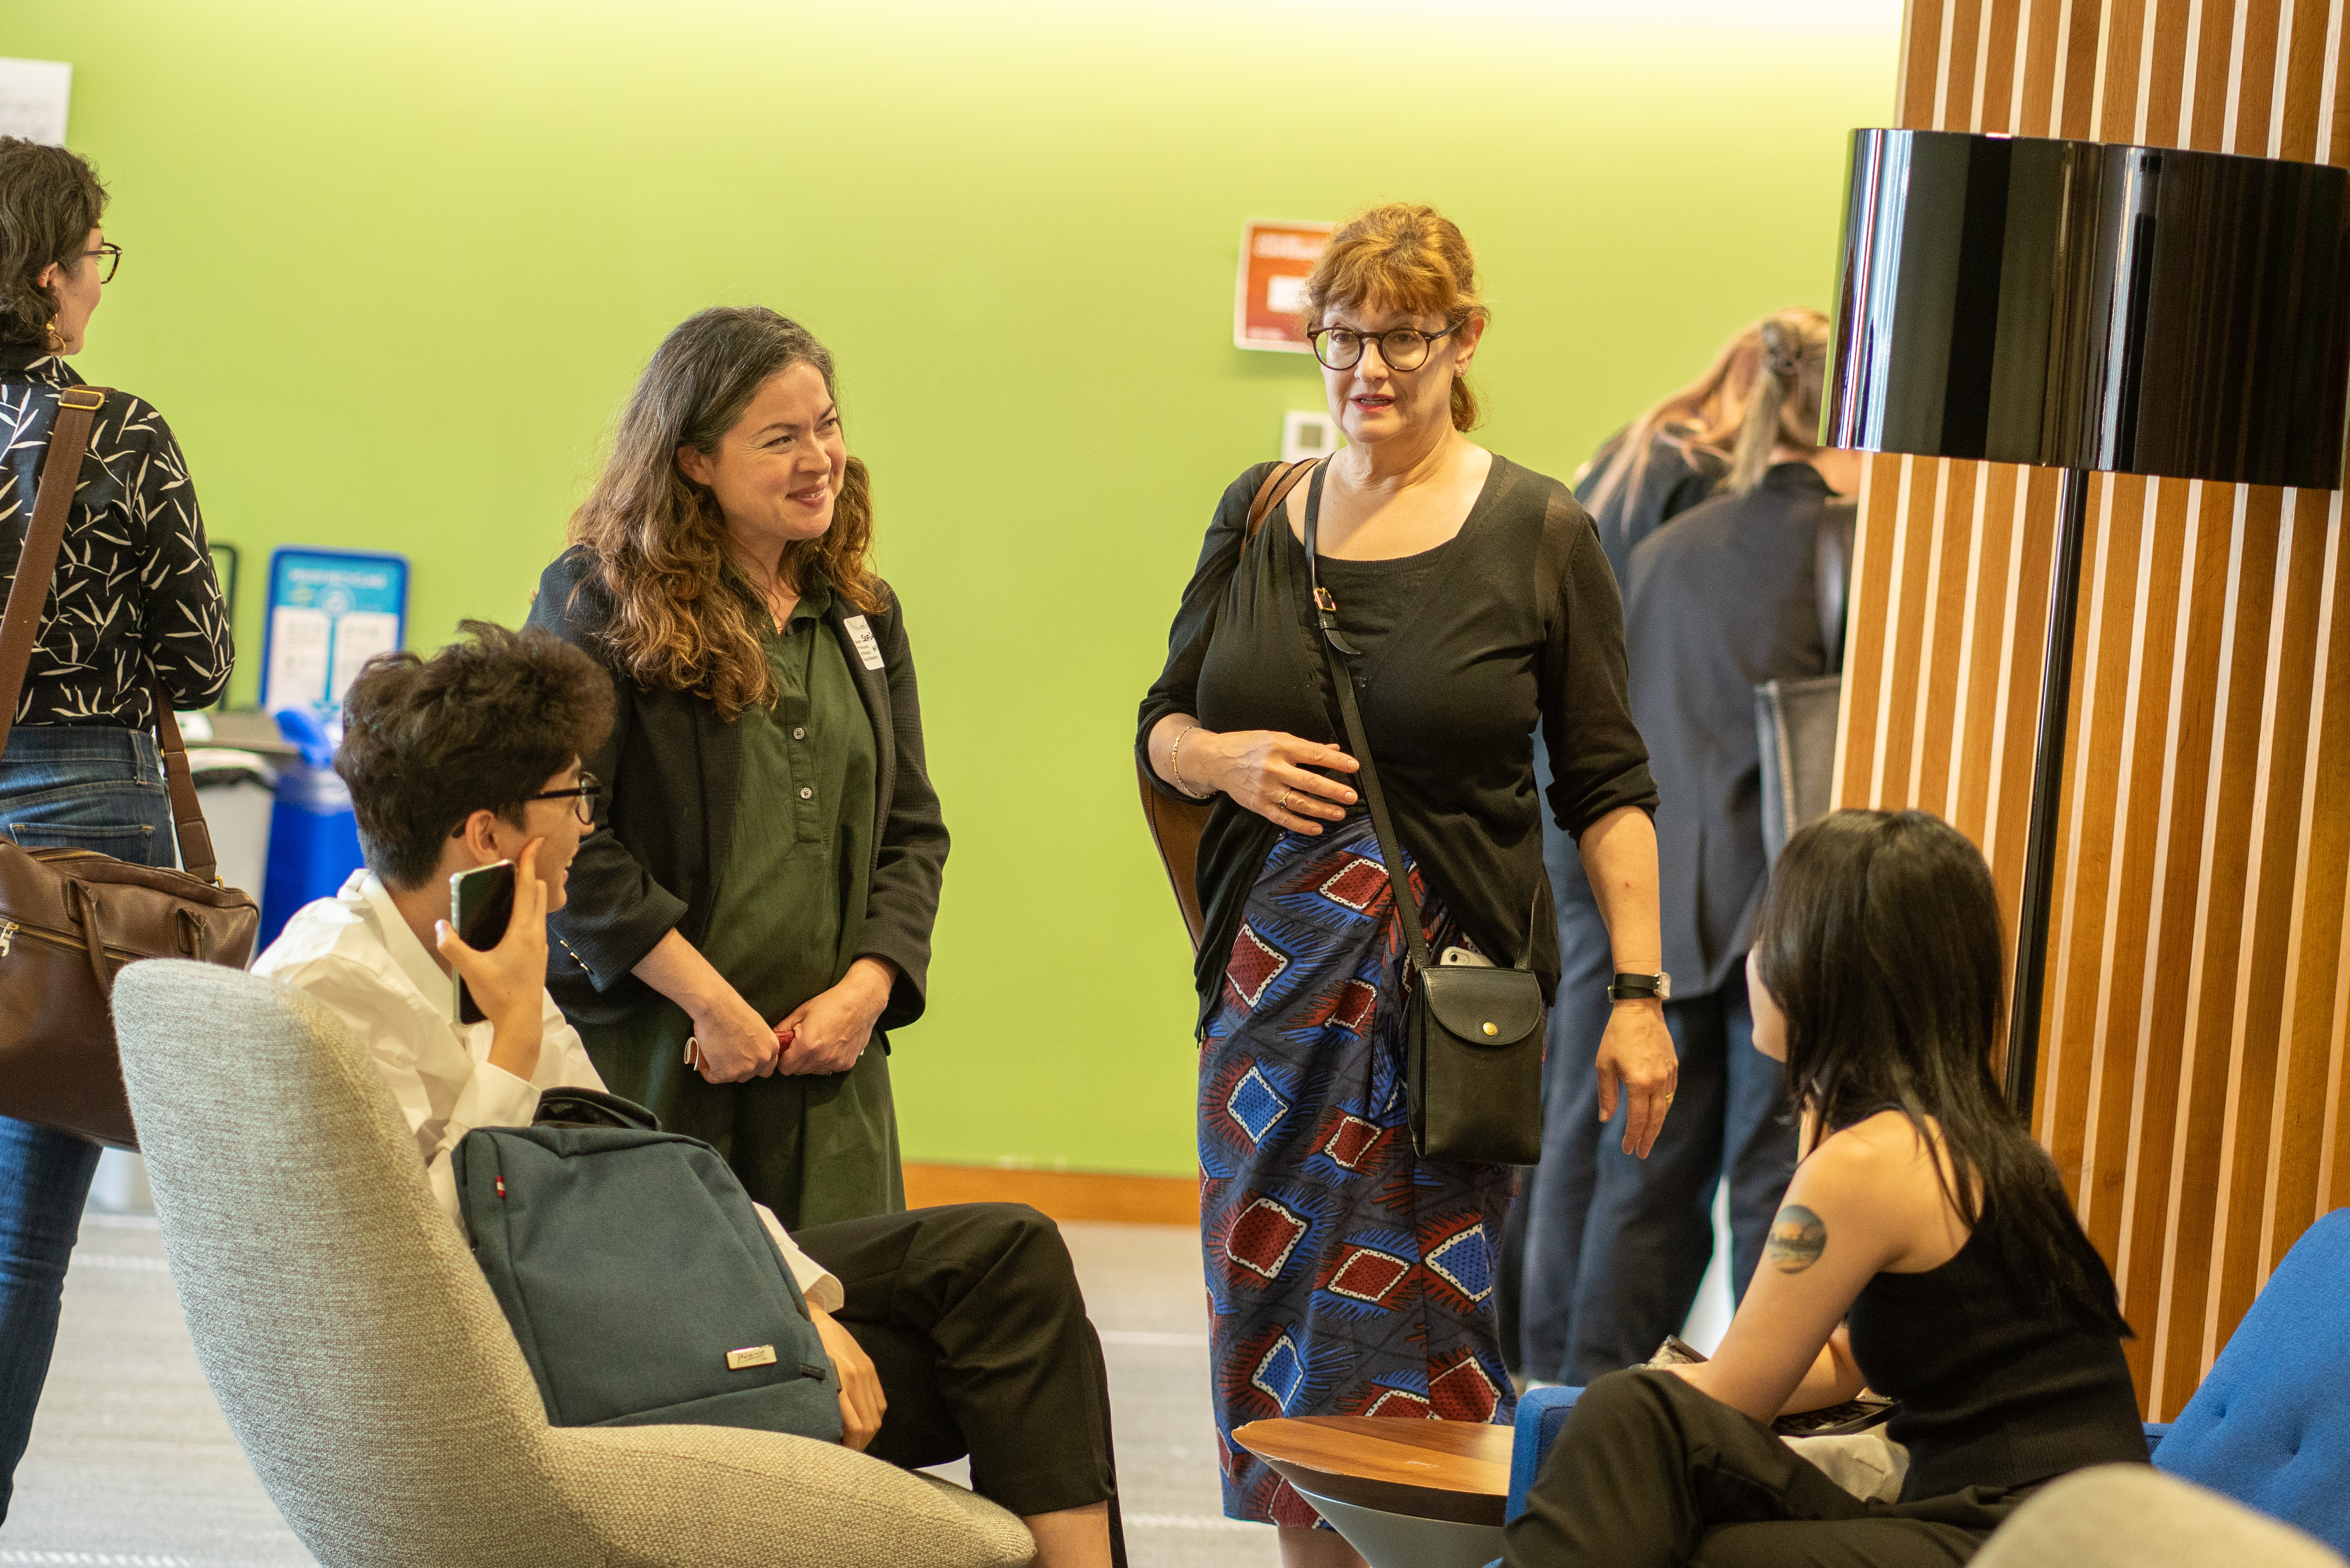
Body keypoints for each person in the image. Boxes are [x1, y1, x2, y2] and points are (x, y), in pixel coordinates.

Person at [251, 623, 1121, 1568]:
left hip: (599, 1290)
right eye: (572, 793)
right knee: (1006, 1374)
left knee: (1004, 1256)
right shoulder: (328, 987)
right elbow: (412, 1259)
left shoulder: (487, 944)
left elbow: (635, 1166)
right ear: (487, 834)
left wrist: (796, 1301)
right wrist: (508, 1039)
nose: (588, 819)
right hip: (544, 1360)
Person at [1136, 201, 1677, 1566]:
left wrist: (1640, 992)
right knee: (1270, 1339)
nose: (1368, 370)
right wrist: (1226, 754)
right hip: (1266, 1016)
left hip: (1446, 1021)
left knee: (1423, 1348)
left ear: (1464, 339)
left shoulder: (1541, 532)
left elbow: (1608, 788)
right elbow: (1159, 725)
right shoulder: (1260, 511)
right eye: (1342, 339)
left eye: (1402, 339)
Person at [1502, 809, 2150, 1567]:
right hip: (2058, 1523)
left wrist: (1642, 1403)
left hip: (2030, 1539)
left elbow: (1735, 1399)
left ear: (1831, 967)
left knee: (1631, 1416)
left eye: (1772, 935)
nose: (1752, 962)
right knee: (1672, 1484)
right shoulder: (1954, 1135)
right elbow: (1845, 1360)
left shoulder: (1868, 1162)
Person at [527, 306, 947, 1229]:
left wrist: (865, 994)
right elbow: (563, 836)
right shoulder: (597, 600)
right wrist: (711, 1004)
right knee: (670, 1338)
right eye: (780, 438)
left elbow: (912, 832)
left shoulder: (862, 613)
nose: (819, 457)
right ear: (694, 460)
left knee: (847, 1337)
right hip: (661, 1053)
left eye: (827, 425)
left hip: (829, 1069)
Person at [0, 137, 231, 1520]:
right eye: (96, 257)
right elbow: (194, 663)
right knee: (22, 1230)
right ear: (47, 280)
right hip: (83, 825)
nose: (100, 283)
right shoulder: (114, 432)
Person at [1557, 309, 1850, 1383]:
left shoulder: (1668, 548)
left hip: (1670, 901)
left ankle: (1579, 1412)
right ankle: (1752, 1416)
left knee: (1639, 1183)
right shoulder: (1855, 546)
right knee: (1773, 1185)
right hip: (1793, 914)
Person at [1514, 313, 1792, 1383]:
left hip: (1584, 814)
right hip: (1644, 825)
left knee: (1583, 1116)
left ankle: (1541, 1375)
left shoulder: (1631, 459)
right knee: (1617, 1124)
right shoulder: (1701, 486)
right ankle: (1560, 1378)